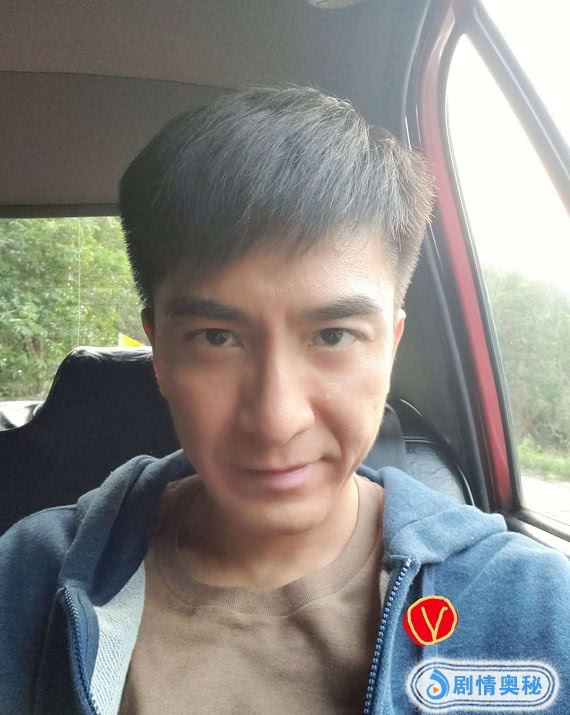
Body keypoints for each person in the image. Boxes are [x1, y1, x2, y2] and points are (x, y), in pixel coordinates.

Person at [0, 86, 568, 715]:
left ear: (390, 346)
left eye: (333, 336)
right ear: (159, 352)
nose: (275, 421)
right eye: (216, 338)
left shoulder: (534, 607)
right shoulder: (26, 581)